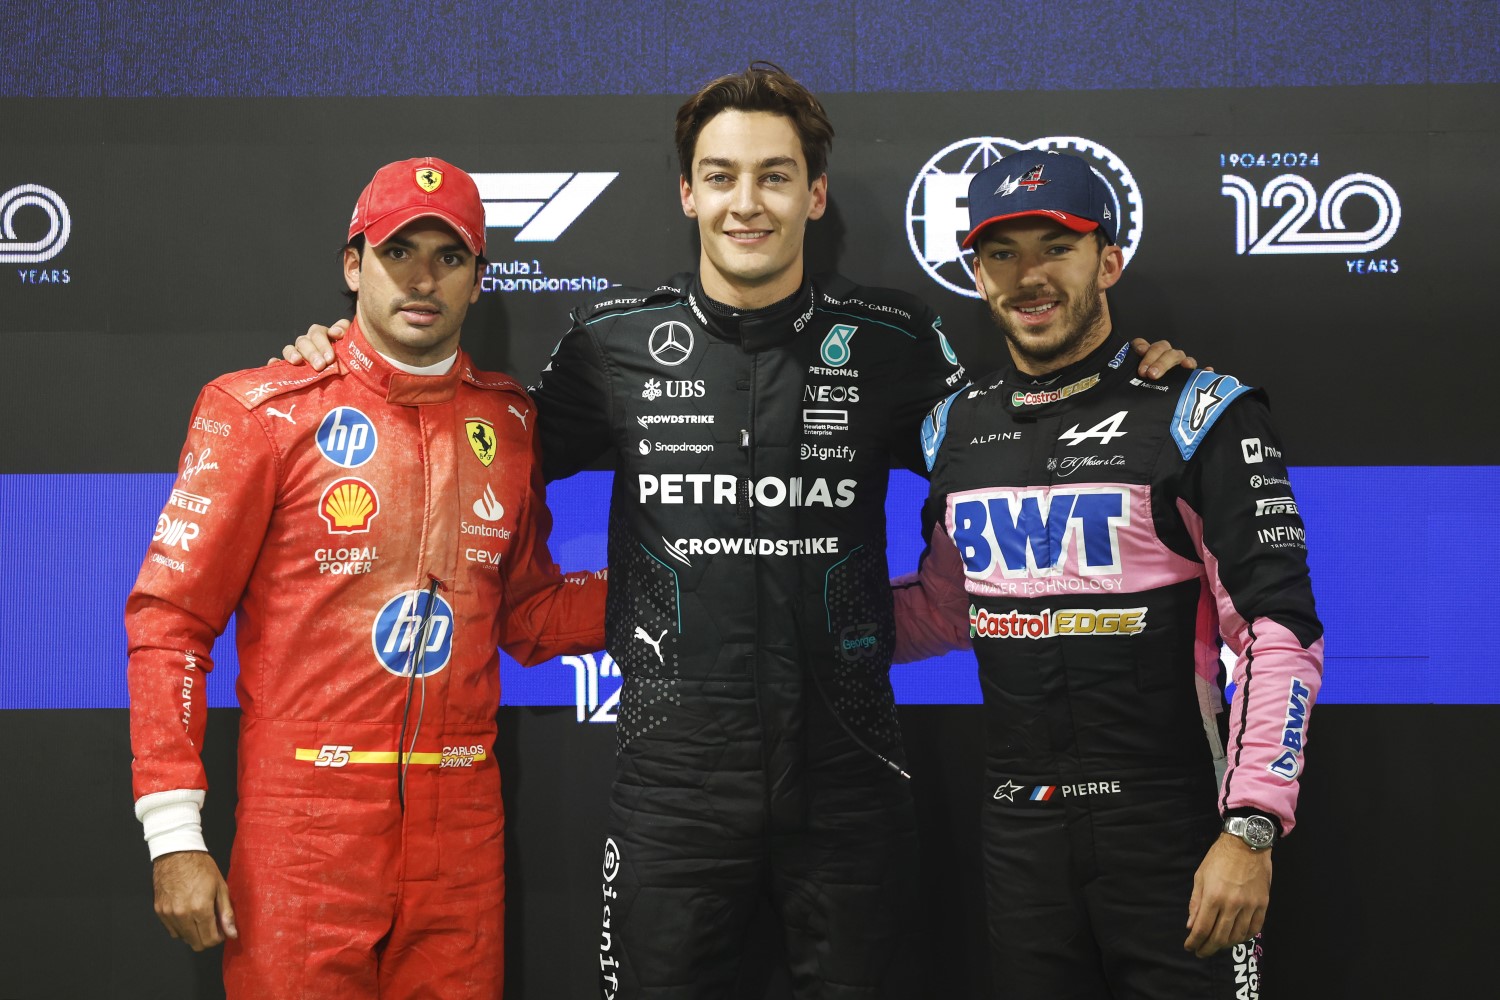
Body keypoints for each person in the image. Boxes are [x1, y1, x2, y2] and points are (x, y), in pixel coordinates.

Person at [282, 66, 1191, 999]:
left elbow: (1009, 444)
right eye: (720, 176)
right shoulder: (610, 342)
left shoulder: (892, 337)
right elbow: (479, 445)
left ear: (816, 192)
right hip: (673, 786)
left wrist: (1133, 385)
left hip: (853, 779)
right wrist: (347, 368)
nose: (745, 203)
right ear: (687, 192)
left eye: (773, 176)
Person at [127, 156, 606, 999]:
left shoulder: (511, 422)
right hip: (305, 828)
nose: (422, 279)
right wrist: (174, 835)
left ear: (479, 279)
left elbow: (528, 617)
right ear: (354, 265)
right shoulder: (263, 412)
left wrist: (681, 580)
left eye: (449, 257)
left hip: (461, 833)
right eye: (397, 252)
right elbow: (170, 624)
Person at [893, 148, 1324, 997]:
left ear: (1110, 260)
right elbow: (946, 611)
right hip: (1020, 836)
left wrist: (1251, 828)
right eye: (1002, 254)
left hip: (1171, 826)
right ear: (978, 276)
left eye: (1056, 246)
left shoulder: (1200, 412)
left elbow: (1279, 631)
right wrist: (791, 625)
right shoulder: (952, 429)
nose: (1029, 276)